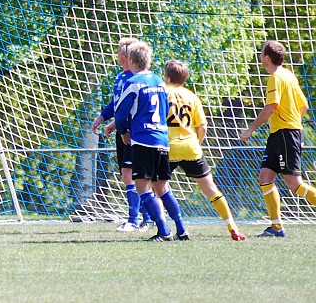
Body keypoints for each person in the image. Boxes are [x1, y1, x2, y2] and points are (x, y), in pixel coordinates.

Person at [164, 59, 246, 241]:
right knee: (211, 189)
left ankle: (164, 228)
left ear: (167, 76)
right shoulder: (192, 96)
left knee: (158, 189)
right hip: (191, 148)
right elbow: (203, 127)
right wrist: (196, 143)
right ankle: (233, 227)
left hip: (168, 148)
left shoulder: (162, 92)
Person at [114, 41, 187, 241]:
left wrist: (123, 131)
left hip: (143, 141)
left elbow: (120, 115)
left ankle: (164, 232)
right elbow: (165, 109)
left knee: (143, 188)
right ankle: (182, 228)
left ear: (131, 60)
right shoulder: (159, 82)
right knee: (162, 188)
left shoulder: (133, 83)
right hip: (162, 140)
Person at [239, 40, 313, 237]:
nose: (260, 57)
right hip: (278, 134)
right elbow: (303, 105)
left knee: (294, 184)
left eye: (262, 54)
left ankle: (277, 226)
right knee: (265, 177)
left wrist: (250, 130)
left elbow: (272, 106)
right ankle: (276, 227)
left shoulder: (276, 78)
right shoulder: (288, 75)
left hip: (287, 134)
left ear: (267, 58)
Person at [92, 37, 152, 232]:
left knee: (132, 175)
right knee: (128, 175)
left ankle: (138, 219)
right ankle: (143, 218)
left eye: (119, 52)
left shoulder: (136, 80)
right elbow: (116, 105)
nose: (117, 55)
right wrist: (103, 118)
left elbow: (134, 109)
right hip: (123, 132)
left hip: (133, 134)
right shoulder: (120, 77)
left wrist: (124, 129)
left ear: (127, 56)